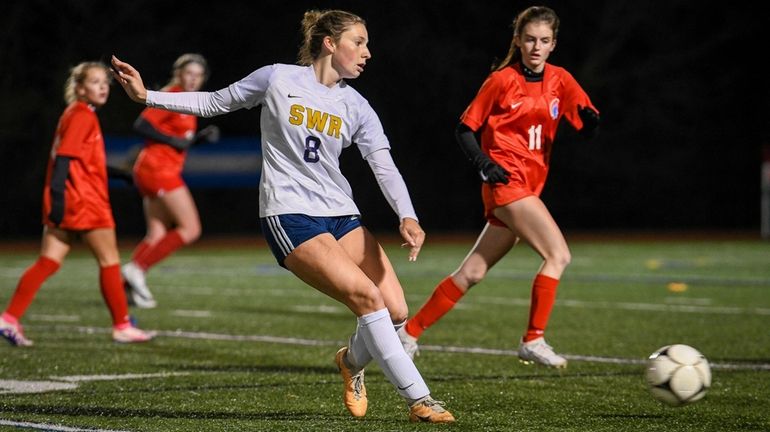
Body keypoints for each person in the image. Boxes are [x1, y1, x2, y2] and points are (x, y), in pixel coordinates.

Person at [111, 9, 454, 423]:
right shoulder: (278, 78)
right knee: (367, 298)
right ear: (330, 43)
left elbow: (383, 164)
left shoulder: (355, 104)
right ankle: (420, 399)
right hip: (289, 214)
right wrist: (147, 95)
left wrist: (408, 215)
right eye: (359, 42)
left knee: (397, 311)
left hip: (341, 214)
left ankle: (350, 362)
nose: (367, 52)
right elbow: (214, 101)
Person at [397, 6, 600, 368]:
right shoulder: (501, 80)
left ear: (553, 44)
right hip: (508, 183)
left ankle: (408, 333)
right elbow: (464, 128)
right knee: (559, 256)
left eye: (544, 41)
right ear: (518, 41)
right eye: (530, 39)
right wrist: (484, 163)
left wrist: (591, 122)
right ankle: (533, 340)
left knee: (471, 273)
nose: (536, 47)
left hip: (530, 188)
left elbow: (584, 123)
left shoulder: (561, 80)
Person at [0, 62, 155, 346]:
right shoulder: (82, 115)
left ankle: (8, 318)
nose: (103, 87)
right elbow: (63, 160)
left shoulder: (75, 114)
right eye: (95, 82)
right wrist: (59, 199)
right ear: (80, 88)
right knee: (109, 262)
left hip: (71, 199)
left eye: (105, 83)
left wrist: (118, 173)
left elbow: (82, 161)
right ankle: (122, 325)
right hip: (84, 202)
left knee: (48, 262)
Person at [121, 54, 220, 309]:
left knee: (156, 233)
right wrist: (174, 141)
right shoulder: (173, 94)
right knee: (190, 229)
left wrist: (197, 139)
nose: (193, 78)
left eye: (198, 75)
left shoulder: (186, 100)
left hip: (153, 170)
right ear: (178, 74)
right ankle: (136, 269)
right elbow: (142, 125)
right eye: (189, 73)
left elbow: (177, 140)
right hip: (158, 170)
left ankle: (130, 285)